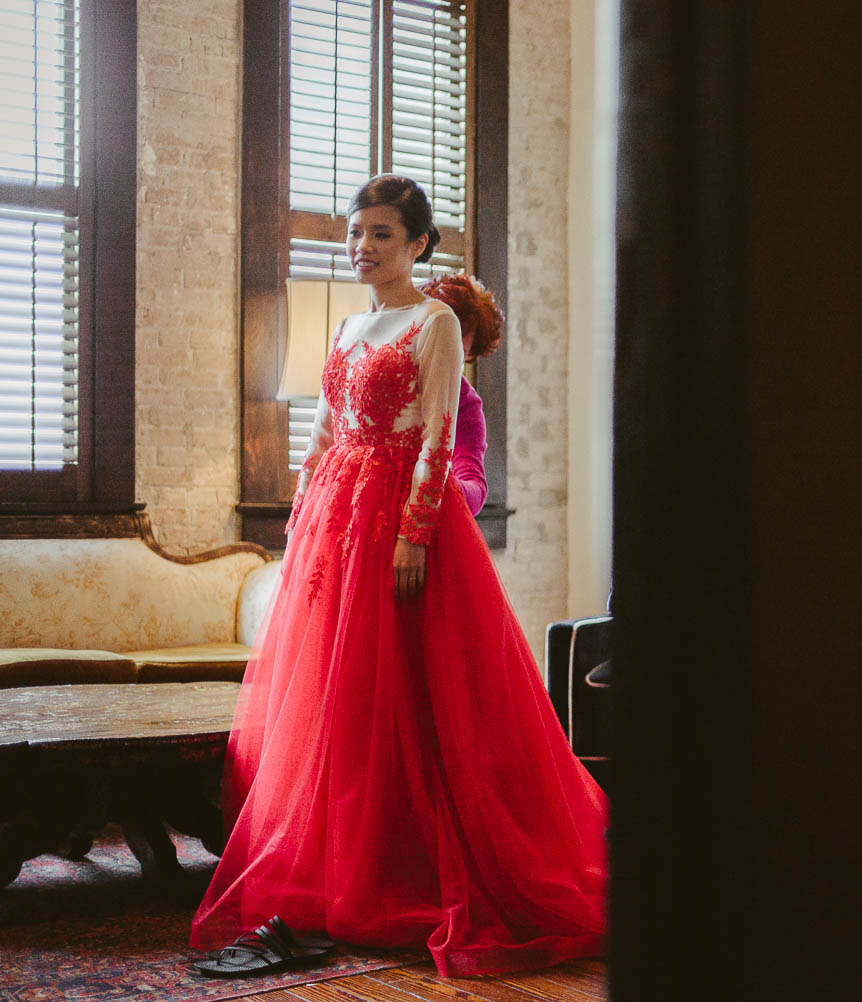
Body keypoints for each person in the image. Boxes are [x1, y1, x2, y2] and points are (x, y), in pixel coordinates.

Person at [190, 175, 607, 978]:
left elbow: (439, 434)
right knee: (340, 698)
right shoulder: (347, 327)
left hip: (398, 517)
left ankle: (421, 867)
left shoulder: (435, 321)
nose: (363, 248)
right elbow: (321, 428)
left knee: (413, 693)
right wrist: (301, 518)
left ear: (417, 244)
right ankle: (346, 867)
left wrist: (415, 533)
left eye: (381, 234)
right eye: (356, 234)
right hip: (337, 521)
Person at [417, 273, 502, 516]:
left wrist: (434, 484)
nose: (445, 358)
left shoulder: (464, 402)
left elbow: (474, 483)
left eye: (459, 353)